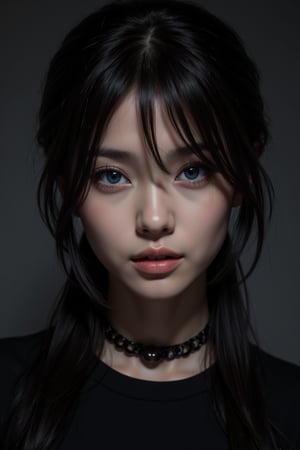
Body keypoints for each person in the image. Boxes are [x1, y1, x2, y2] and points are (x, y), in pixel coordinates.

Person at [0, 0, 299, 449]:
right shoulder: (7, 393)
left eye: (193, 170)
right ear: (69, 189)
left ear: (242, 177)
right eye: (112, 175)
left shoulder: (291, 410)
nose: (154, 219)